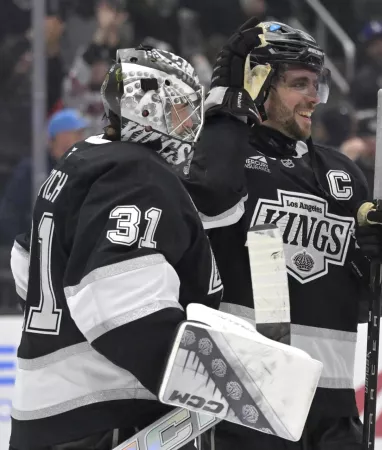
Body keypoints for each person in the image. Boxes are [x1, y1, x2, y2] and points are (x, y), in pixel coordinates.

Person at [181, 18, 382, 449]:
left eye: (316, 85)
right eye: (299, 84)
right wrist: (227, 102)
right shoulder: (222, 161)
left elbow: (367, 302)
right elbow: (210, 202)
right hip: (242, 395)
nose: (313, 98)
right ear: (259, 87)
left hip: (333, 405)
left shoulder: (342, 173)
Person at [9, 46, 222, 449]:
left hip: (43, 414)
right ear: (148, 110)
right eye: (179, 110)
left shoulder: (81, 158)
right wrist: (204, 378)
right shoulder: (139, 173)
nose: (190, 124)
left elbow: (26, 265)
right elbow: (119, 307)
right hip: (108, 415)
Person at [0, 108, 89, 245]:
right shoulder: (32, 169)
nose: (82, 138)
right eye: (77, 134)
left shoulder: (84, 167)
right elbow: (10, 213)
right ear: (62, 137)